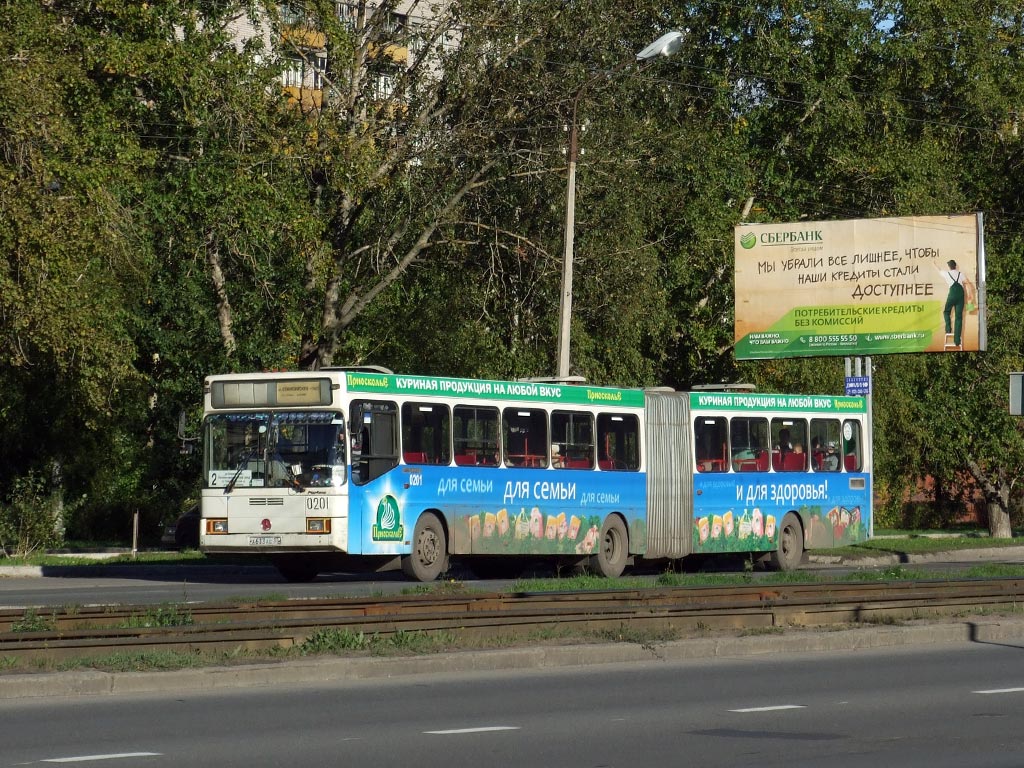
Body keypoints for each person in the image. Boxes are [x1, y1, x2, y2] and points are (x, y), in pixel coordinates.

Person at [938, 259, 976, 348]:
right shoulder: (961, 274)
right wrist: (971, 295)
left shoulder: (947, 274)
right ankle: (957, 341)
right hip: (960, 296)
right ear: (955, 266)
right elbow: (968, 284)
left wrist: (934, 264)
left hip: (952, 295)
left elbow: (939, 270)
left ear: (949, 267)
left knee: (946, 312)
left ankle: (948, 329)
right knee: (959, 317)